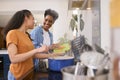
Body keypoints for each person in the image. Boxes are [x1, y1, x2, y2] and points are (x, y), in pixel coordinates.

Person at [2, 9, 62, 80]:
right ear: (25, 18)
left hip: (28, 73)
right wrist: (37, 50)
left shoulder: (27, 35)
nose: (34, 21)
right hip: (18, 75)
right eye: (33, 19)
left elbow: (33, 55)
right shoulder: (12, 33)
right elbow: (13, 58)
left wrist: (52, 55)